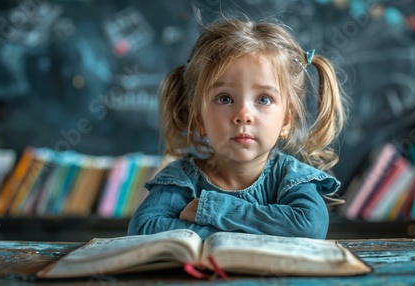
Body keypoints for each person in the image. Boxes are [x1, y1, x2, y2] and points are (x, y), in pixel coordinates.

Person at [128, 16, 346, 240]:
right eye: (224, 99)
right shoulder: (181, 178)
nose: (243, 115)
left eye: (263, 99)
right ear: (199, 119)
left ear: (286, 121)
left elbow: (309, 226)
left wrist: (211, 208)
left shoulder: (291, 177)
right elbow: (144, 228)